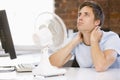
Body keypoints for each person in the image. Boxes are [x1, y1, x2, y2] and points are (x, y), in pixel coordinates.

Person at [49, 1, 120, 72]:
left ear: (97, 22)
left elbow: (100, 67)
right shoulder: (75, 38)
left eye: (86, 15)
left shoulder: (111, 38)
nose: (80, 18)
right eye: (79, 14)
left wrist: (94, 41)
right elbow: (52, 64)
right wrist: (74, 42)